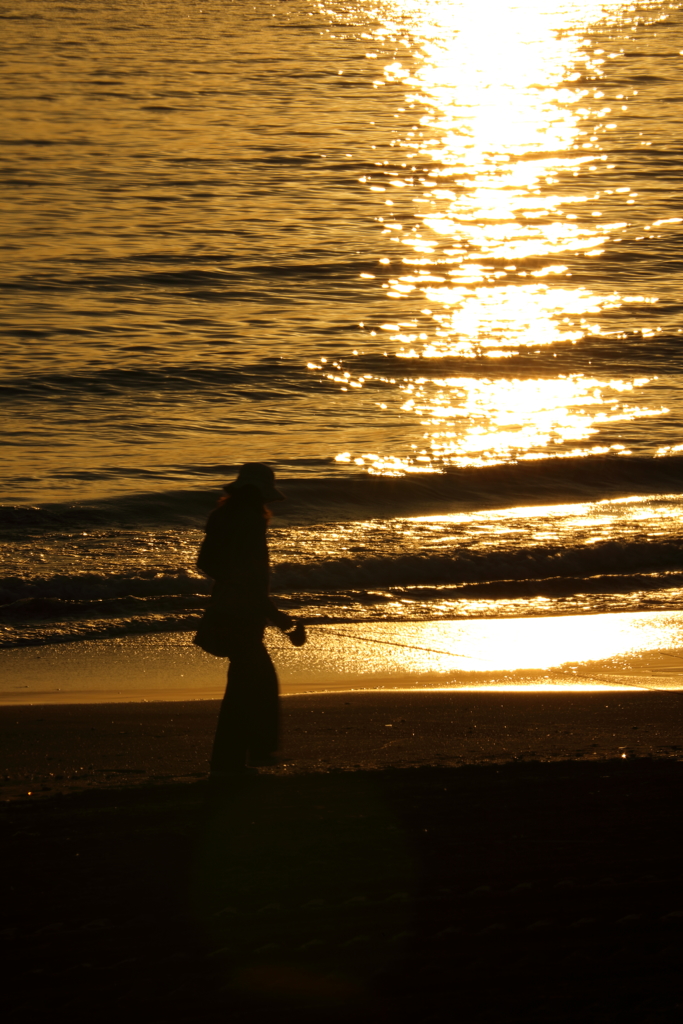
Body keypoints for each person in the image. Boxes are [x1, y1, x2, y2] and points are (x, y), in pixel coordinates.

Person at [194, 463, 306, 777]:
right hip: (242, 613)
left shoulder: (222, 516)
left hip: (227, 608)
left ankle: (229, 762)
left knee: (243, 686)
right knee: (257, 683)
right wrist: (275, 616)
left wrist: (234, 586)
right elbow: (253, 579)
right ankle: (252, 754)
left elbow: (205, 562)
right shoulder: (250, 520)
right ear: (258, 493)